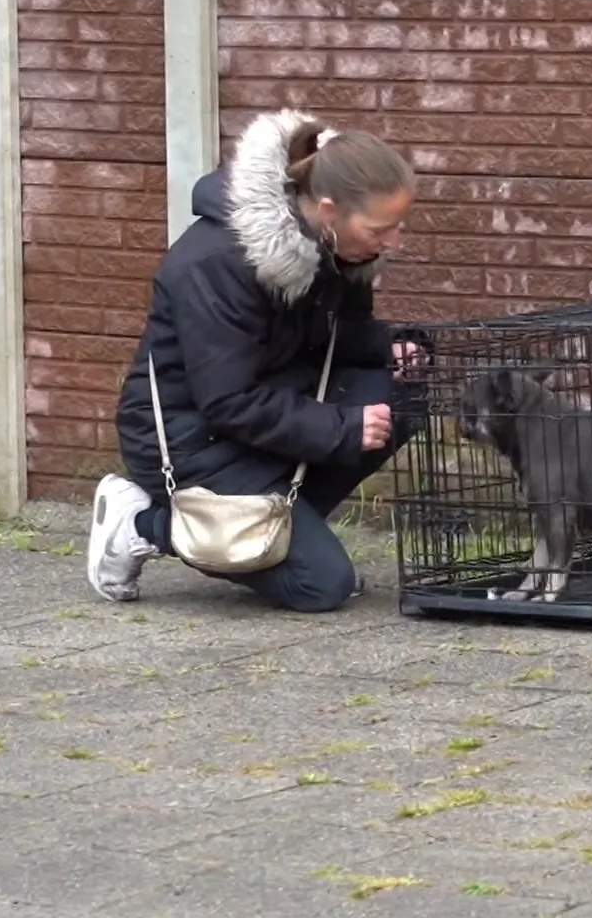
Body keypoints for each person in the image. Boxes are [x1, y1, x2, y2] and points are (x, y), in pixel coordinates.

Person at [83, 107, 430, 611]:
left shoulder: (337, 249)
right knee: (321, 586)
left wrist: (391, 348)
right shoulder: (216, 263)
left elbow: (337, 340)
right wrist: (340, 427)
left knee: (405, 392)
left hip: (267, 412)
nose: (393, 242)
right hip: (191, 439)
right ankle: (141, 523)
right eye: (382, 229)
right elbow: (228, 401)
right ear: (329, 211)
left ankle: (275, 537)